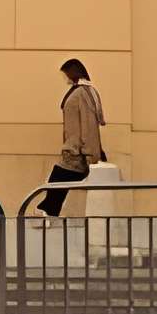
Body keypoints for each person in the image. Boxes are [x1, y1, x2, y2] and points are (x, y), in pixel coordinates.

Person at [38, 57, 106, 215]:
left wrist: (90, 156)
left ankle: (48, 212)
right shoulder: (80, 92)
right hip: (73, 151)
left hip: (77, 154)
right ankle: (48, 212)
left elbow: (89, 126)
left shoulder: (83, 93)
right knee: (55, 187)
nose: (64, 78)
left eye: (65, 74)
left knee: (55, 185)